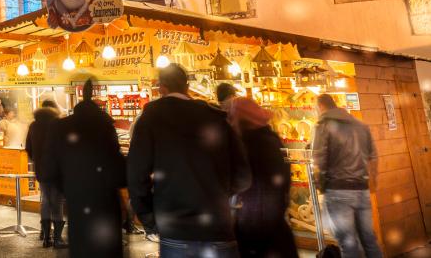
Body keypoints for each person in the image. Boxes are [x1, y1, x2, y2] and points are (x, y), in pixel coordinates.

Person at [127, 64, 251, 258]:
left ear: (161, 88)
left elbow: (136, 175)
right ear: (187, 87)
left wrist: (149, 219)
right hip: (218, 227)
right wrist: (217, 195)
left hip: (175, 227)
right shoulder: (215, 116)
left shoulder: (152, 117)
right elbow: (243, 176)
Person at [44, 80, 126, 257]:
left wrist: (68, 187)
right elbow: (120, 173)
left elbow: (47, 171)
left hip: (77, 205)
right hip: (106, 206)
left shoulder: (60, 128)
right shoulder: (105, 127)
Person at [312, 93, 382, 258]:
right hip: (362, 189)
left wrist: (321, 185)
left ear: (321, 106)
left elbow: (319, 161)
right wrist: (372, 183)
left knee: (348, 244)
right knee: (369, 240)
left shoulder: (323, 125)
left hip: (338, 190)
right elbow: (373, 157)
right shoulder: (360, 125)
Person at [227, 97, 298, 258]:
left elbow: (260, 195)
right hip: (272, 230)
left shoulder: (253, 144)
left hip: (259, 233)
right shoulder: (269, 139)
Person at [26, 99, 65, 248]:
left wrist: (37, 160)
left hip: (41, 170)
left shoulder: (34, 125)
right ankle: (57, 239)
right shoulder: (58, 124)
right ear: (55, 110)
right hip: (56, 169)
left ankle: (46, 237)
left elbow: (28, 148)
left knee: (46, 201)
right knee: (57, 202)